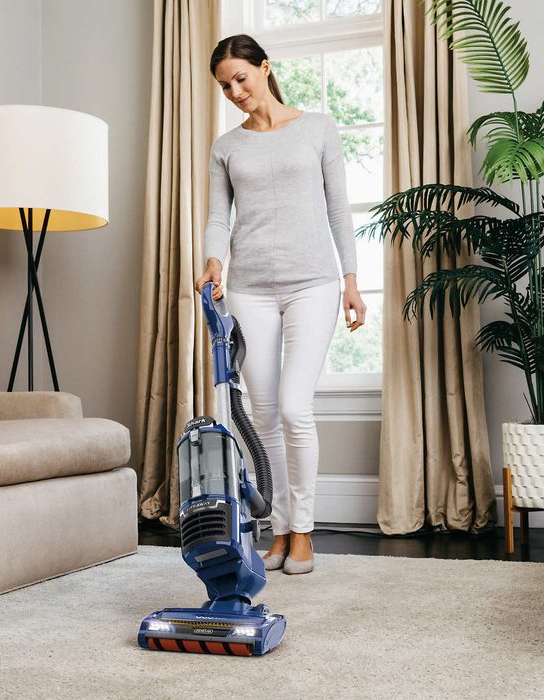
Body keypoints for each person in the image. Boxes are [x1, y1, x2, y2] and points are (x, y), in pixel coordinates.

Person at [195, 34, 366, 575]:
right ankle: (281, 530)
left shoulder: (317, 128)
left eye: (241, 78)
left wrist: (351, 282)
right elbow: (220, 216)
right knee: (263, 416)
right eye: (225, 86)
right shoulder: (226, 146)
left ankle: (307, 532)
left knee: (295, 408)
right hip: (250, 288)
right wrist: (213, 260)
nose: (235, 91)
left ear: (264, 69)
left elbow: (339, 210)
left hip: (312, 283)